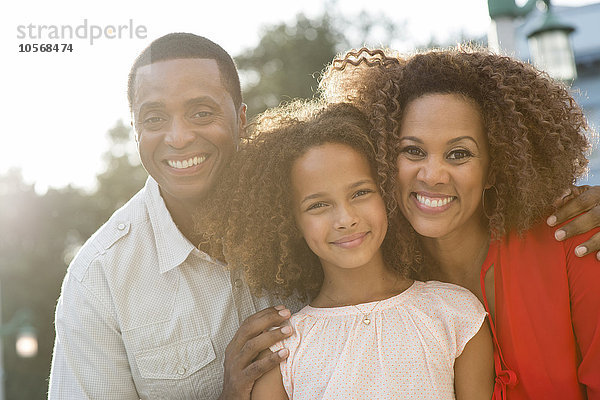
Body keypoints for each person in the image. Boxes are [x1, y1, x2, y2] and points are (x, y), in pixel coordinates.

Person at [320, 47, 600, 399]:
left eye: (459, 154)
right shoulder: (380, 280)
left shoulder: (575, 240)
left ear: (494, 168)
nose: (433, 175)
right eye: (413, 151)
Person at [48, 33, 299, 400]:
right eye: (154, 118)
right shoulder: (98, 281)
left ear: (241, 119)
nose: (178, 137)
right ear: (135, 130)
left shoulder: (310, 210)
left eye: (201, 112)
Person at [201, 102, 494, 399]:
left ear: (386, 194)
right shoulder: (283, 350)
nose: (346, 219)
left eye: (360, 193)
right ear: (291, 222)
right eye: (318, 205)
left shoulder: (455, 314)